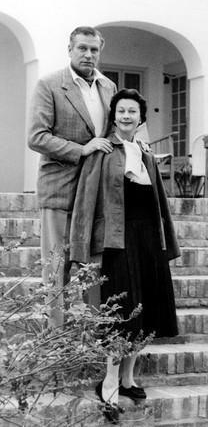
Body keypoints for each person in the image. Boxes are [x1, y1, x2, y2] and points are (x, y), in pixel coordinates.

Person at [69, 89, 180, 423]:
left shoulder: (146, 152)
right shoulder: (103, 150)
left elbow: (159, 204)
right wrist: (81, 247)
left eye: (132, 111)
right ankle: (110, 381)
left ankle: (129, 379)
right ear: (114, 116)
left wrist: (165, 242)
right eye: (121, 111)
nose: (127, 116)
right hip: (118, 240)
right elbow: (85, 201)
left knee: (145, 309)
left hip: (149, 239)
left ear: (141, 117)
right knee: (122, 311)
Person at [27, 26, 117, 325]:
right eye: (82, 48)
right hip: (60, 188)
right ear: (70, 49)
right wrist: (82, 149)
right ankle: (56, 339)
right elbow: (37, 137)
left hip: (96, 191)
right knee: (56, 268)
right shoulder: (50, 84)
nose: (88, 54)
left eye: (94, 49)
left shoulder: (108, 87)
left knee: (94, 268)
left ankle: (94, 335)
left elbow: (112, 133)